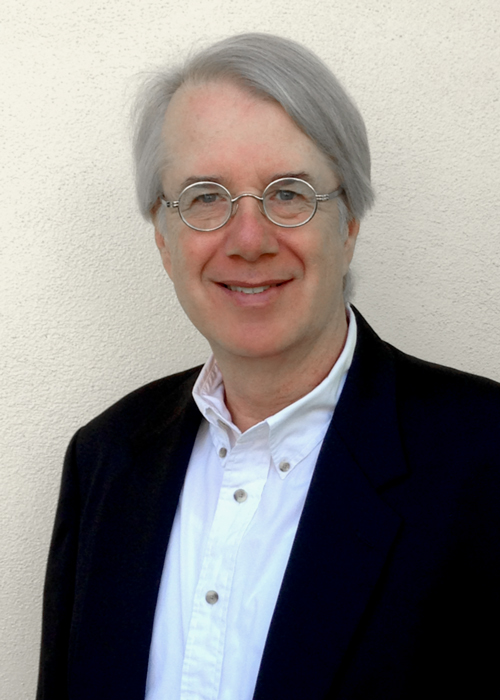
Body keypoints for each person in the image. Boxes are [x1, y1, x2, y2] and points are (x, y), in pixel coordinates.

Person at [36, 33, 500, 700]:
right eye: (204, 197)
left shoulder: (483, 457)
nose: (249, 240)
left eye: (288, 193)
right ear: (163, 238)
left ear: (349, 223)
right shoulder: (105, 460)